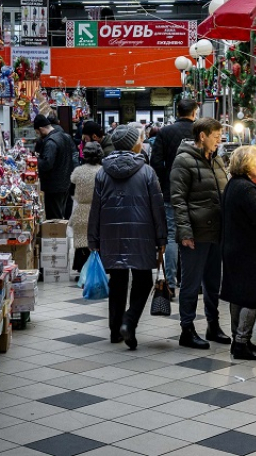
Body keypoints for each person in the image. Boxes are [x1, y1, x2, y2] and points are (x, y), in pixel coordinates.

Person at [88, 125, 166, 349]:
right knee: (143, 281)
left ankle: (115, 331)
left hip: (111, 235)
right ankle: (129, 322)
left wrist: (93, 240)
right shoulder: (147, 172)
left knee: (118, 280)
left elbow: (96, 209)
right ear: (134, 144)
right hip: (142, 234)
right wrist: (162, 238)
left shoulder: (103, 172)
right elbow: (157, 207)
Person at [171, 118, 230, 349]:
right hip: (195, 234)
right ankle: (187, 329)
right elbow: (178, 200)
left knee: (213, 283)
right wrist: (185, 232)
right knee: (191, 284)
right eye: (215, 136)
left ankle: (213, 325)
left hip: (216, 232)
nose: (219, 140)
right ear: (202, 136)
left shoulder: (217, 160)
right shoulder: (183, 161)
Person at [220, 145, 256, 360]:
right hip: (248, 250)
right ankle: (241, 344)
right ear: (246, 164)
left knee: (239, 295)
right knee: (250, 297)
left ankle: (240, 339)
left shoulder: (234, 185)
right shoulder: (245, 188)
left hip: (236, 248)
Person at [150, 98, 199, 295]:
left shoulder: (165, 132)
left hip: (171, 192)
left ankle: (170, 281)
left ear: (177, 111)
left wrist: (167, 181)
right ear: (195, 112)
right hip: (197, 192)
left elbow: (156, 162)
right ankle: (193, 282)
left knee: (171, 236)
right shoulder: (200, 131)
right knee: (194, 234)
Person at [35, 114, 78, 220]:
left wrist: (36, 160)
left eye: (37, 132)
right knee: (60, 213)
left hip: (54, 185)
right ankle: (60, 234)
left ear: (41, 129)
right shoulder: (63, 136)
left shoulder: (50, 142)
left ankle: (56, 236)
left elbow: (46, 164)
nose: (38, 135)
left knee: (54, 218)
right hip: (64, 182)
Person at [69, 142, 103, 275]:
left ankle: (81, 269)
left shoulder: (78, 171)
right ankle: (96, 269)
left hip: (81, 211)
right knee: (95, 241)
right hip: (98, 212)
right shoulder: (102, 171)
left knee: (81, 242)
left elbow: (71, 191)